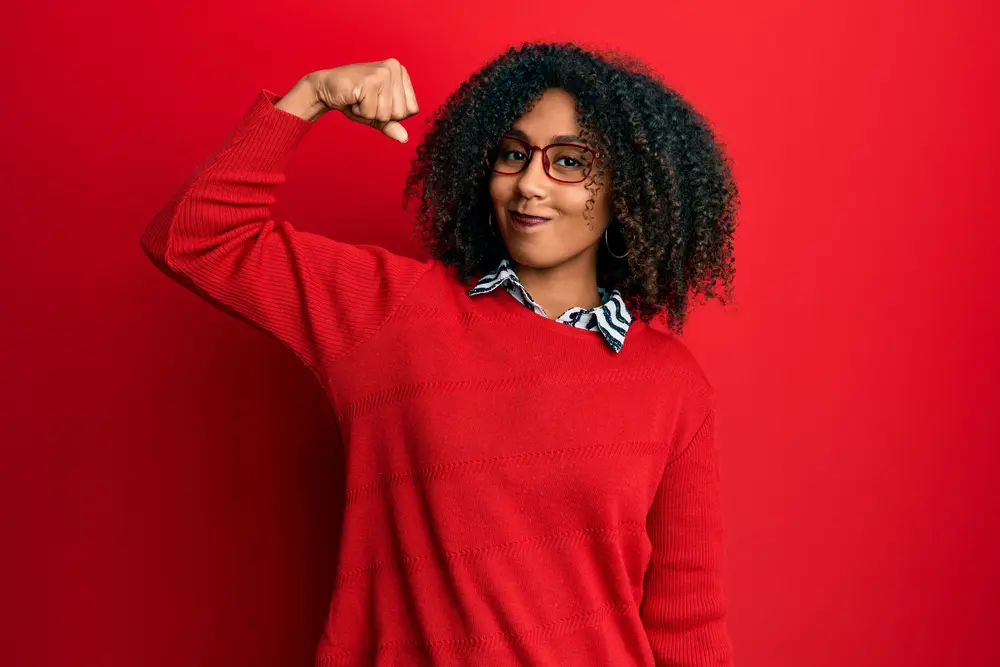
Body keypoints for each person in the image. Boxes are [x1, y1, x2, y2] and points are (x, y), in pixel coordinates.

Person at [141, 42, 739, 667]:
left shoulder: (671, 385)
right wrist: (311, 95)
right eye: (513, 154)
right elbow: (192, 238)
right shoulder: (390, 312)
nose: (530, 184)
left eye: (569, 161)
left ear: (628, 190)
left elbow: (687, 623)